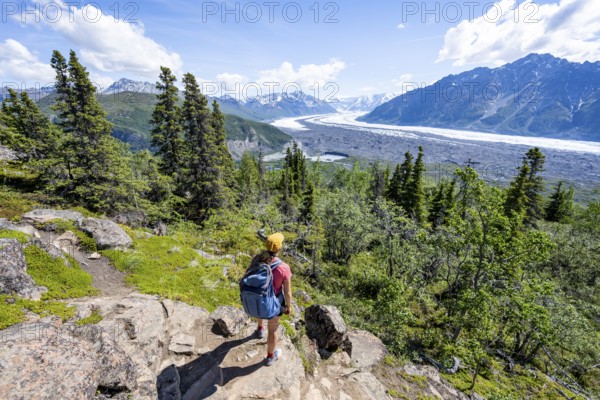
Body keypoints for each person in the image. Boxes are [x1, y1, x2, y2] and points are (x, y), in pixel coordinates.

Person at [253, 232, 292, 366]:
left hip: (258, 299)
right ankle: (270, 357)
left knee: (260, 305)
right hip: (274, 302)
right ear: (279, 248)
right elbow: (287, 292)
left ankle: (259, 329)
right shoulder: (284, 268)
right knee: (273, 330)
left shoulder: (257, 260)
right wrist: (288, 306)